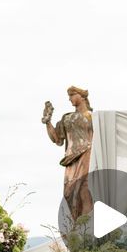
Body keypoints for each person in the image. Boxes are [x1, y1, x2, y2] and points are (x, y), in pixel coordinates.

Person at [42, 86, 93, 221]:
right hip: (71, 159)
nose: (69, 98)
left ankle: (87, 226)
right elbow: (56, 138)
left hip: (88, 155)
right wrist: (48, 121)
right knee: (68, 193)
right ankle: (77, 224)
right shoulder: (67, 118)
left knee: (84, 189)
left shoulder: (93, 117)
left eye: (72, 95)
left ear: (81, 96)